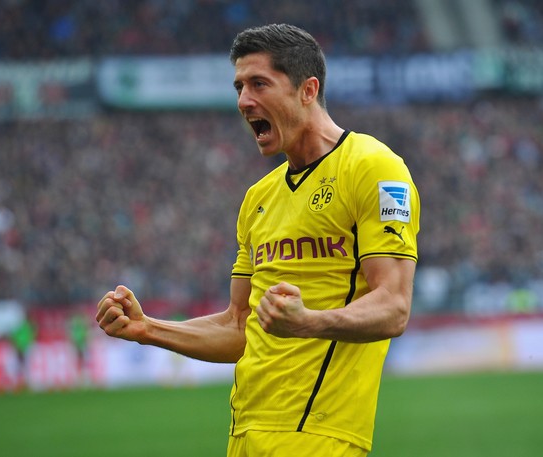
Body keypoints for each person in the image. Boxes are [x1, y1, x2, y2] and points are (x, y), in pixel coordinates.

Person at [96, 23, 420, 457]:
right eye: (239, 87)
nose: (243, 101)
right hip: (244, 434)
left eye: (259, 84)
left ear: (308, 90)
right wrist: (147, 328)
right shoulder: (258, 199)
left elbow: (394, 307)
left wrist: (308, 321)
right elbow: (238, 326)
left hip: (318, 436)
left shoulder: (373, 167)